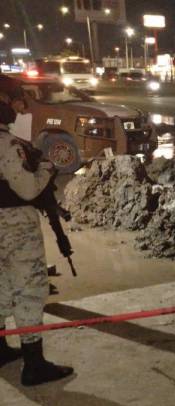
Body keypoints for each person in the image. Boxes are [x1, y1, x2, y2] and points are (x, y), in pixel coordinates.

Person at [0, 76, 74, 386]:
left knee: (1, 284)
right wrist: (46, 165)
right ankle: (34, 364)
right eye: (15, 101)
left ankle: (1, 348)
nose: (19, 108)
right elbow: (28, 189)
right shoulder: (7, 144)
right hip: (14, 224)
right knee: (29, 289)